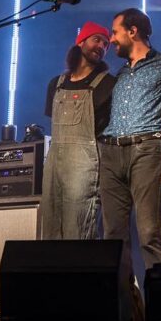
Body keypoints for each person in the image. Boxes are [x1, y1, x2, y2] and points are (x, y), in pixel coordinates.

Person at [98, 8, 161, 276]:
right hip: (109, 153)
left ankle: (160, 313)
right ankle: (125, 313)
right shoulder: (116, 75)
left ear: (133, 32)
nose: (111, 39)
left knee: (149, 234)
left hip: (146, 149)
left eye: (115, 32)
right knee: (113, 238)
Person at [39, 21, 116, 240]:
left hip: (85, 167)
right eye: (96, 40)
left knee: (78, 231)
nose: (101, 46)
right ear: (81, 41)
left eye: (106, 43)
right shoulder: (57, 83)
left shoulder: (108, 84)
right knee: (51, 227)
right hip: (54, 165)